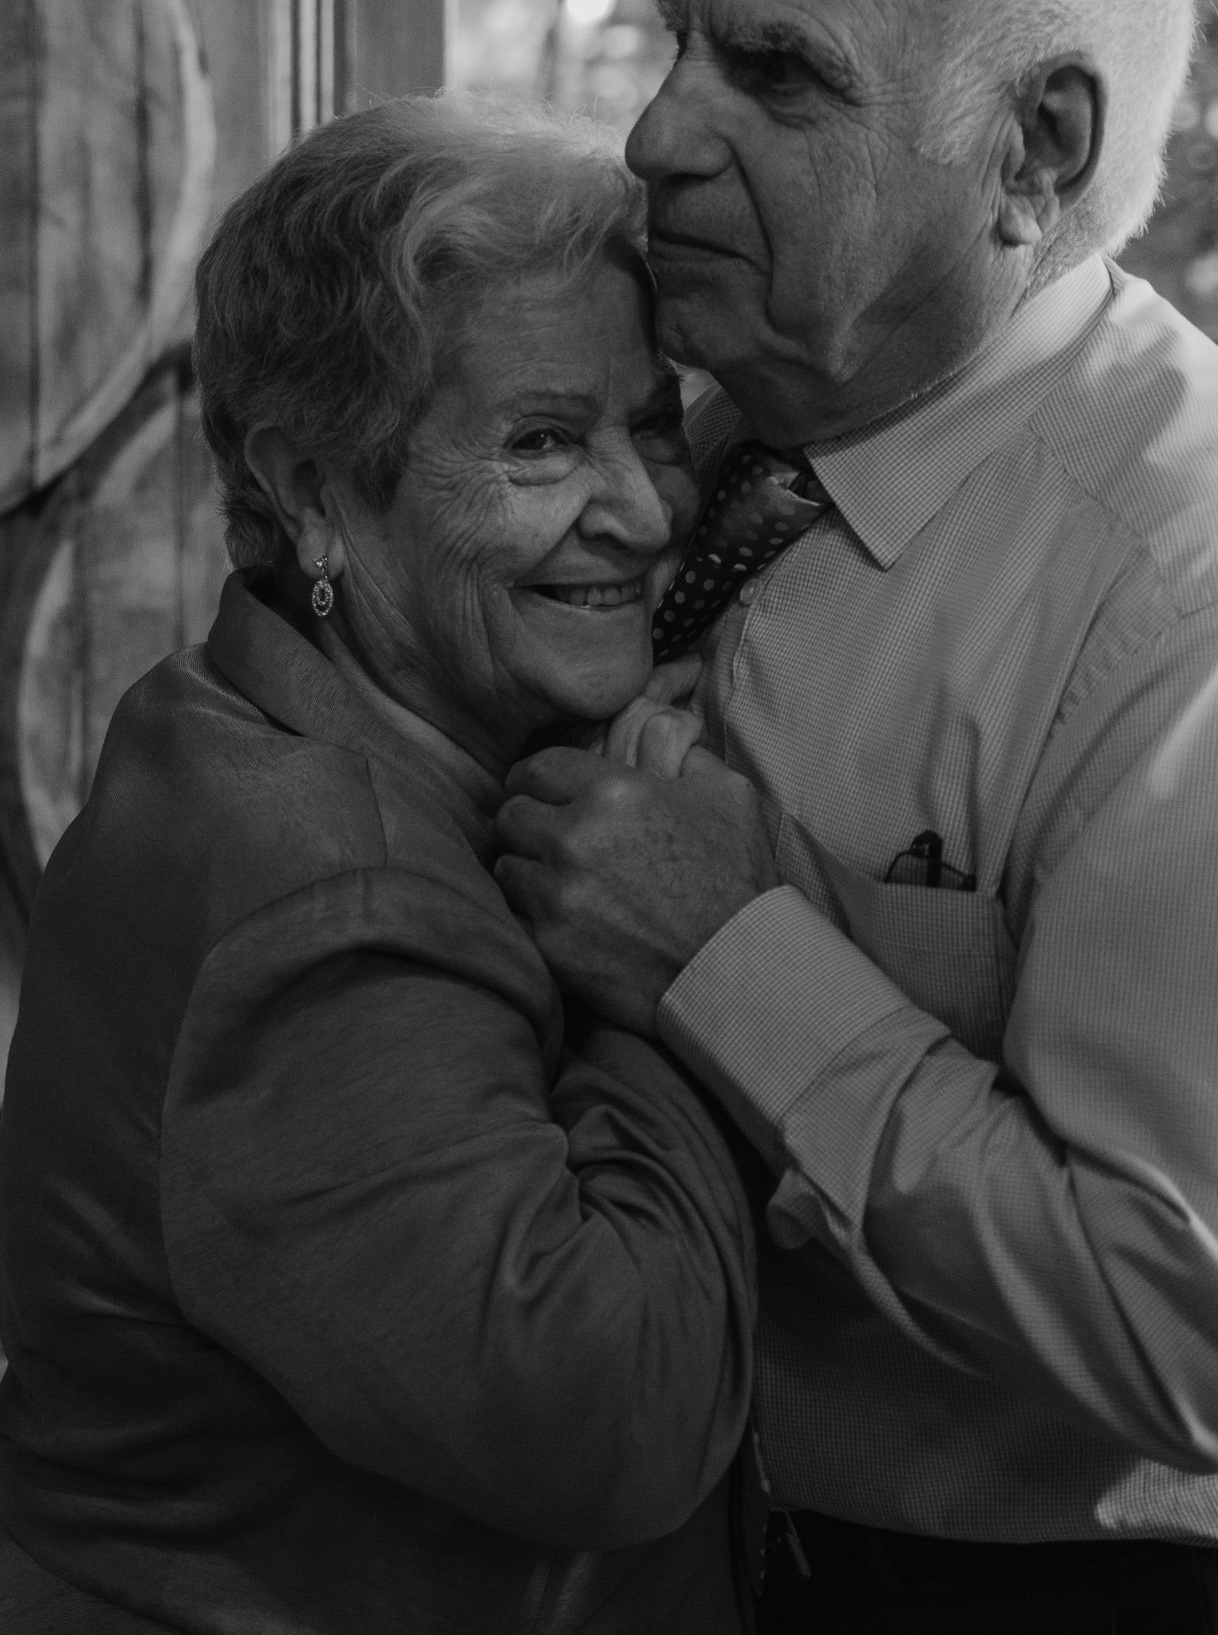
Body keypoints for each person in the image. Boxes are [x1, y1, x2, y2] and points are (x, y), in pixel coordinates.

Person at [493, 0, 1218, 1632]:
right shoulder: (709, 434)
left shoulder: (1216, 586)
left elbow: (1204, 1347)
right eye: (675, 45)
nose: (650, 134)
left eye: (777, 78)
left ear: (1035, 147)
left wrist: (729, 953)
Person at [0, 96, 758, 1634]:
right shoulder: (320, 897)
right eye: (541, 443)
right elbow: (611, 1421)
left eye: (652, 422)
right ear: (308, 486)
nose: (639, 509)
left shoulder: (232, 711)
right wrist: (685, 959)